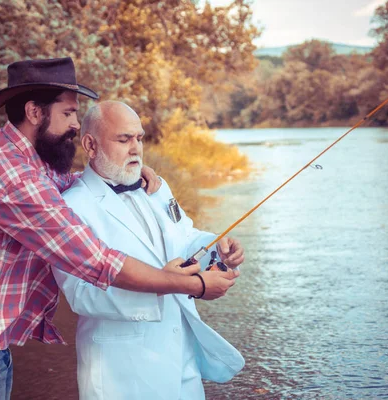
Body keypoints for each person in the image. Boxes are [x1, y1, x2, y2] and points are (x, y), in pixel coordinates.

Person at [0, 58, 239, 400]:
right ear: (36, 112)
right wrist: (194, 285)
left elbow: (62, 182)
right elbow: (97, 262)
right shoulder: (12, 175)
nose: (76, 125)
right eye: (68, 113)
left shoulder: (17, 155)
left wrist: (125, 169)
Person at [53, 101, 245, 400]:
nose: (135, 149)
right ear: (90, 145)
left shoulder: (154, 187)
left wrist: (218, 250)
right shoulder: (70, 207)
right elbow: (81, 295)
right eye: (123, 139)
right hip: (123, 371)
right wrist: (164, 283)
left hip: (183, 356)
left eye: (139, 138)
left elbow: (185, 237)